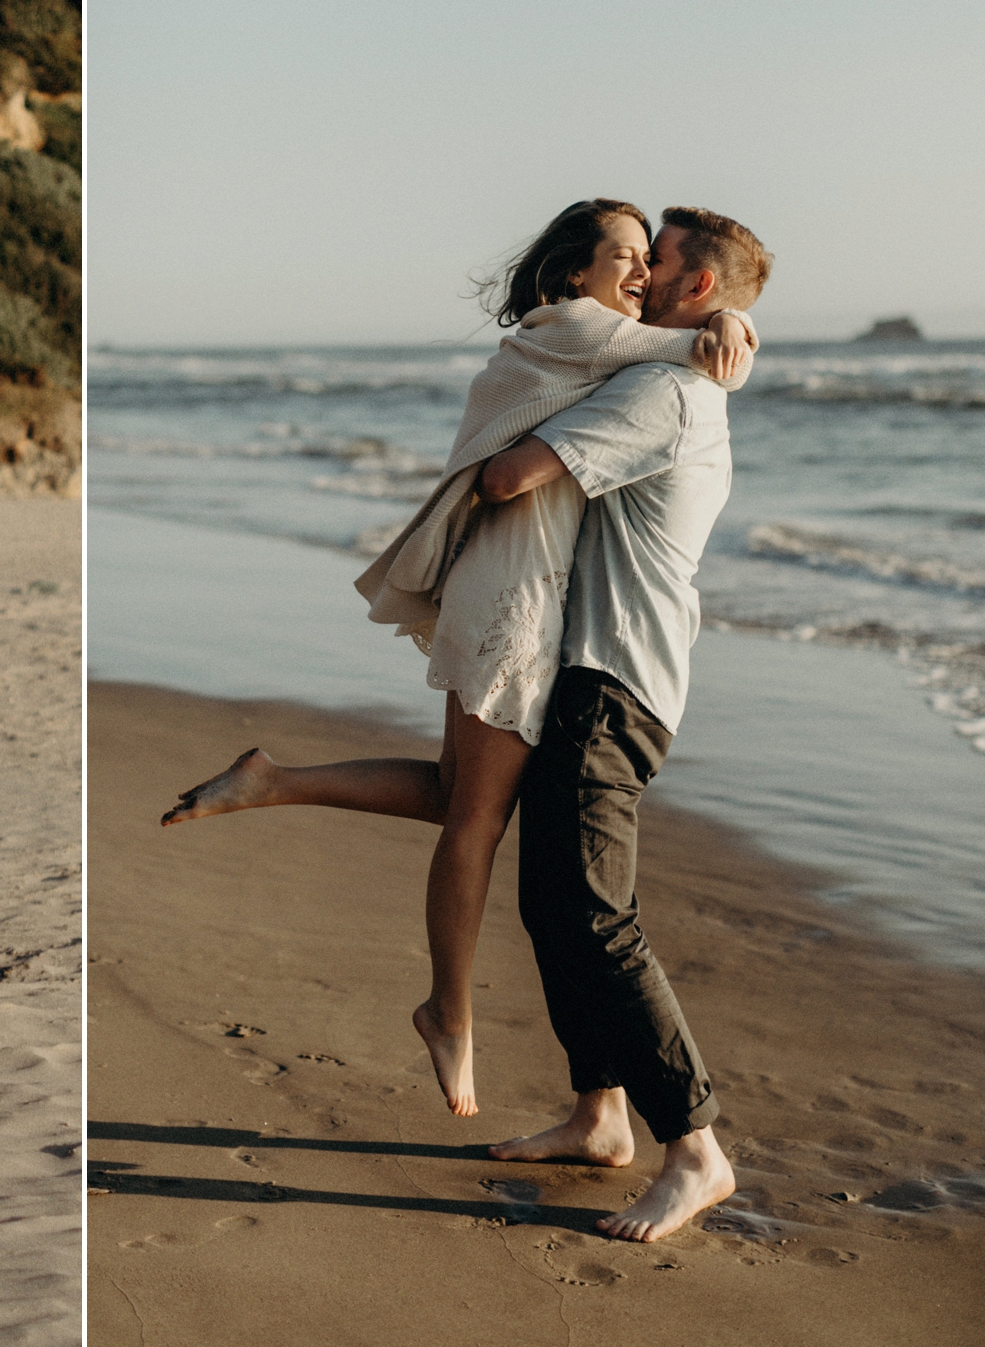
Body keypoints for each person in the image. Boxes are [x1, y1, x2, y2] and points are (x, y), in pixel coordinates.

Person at [160, 200, 756, 1117]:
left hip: (533, 608)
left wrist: (723, 323)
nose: (640, 273)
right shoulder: (603, 343)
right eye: (627, 256)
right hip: (524, 603)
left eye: (652, 258)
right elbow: (543, 452)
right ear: (573, 272)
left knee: (462, 799)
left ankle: (272, 780)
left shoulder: (584, 349)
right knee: (483, 824)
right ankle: (452, 1013)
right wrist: (727, 331)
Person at [478, 206, 772, 1242]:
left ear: (698, 290)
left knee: (596, 917)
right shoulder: (668, 368)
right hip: (604, 679)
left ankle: (696, 1150)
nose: (639, 276)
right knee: (552, 908)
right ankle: (599, 1117)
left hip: (614, 685)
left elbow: (508, 477)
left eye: (662, 264)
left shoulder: (665, 390)